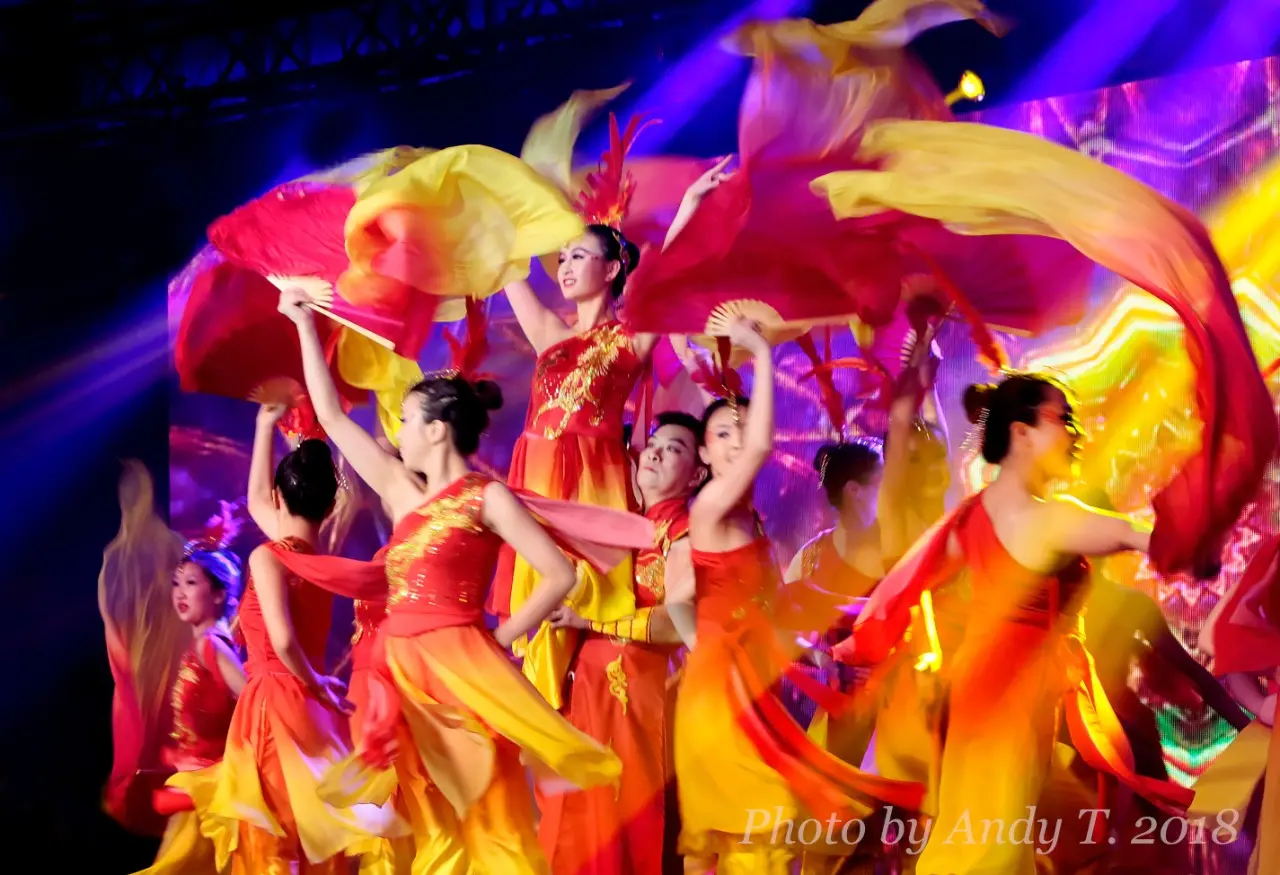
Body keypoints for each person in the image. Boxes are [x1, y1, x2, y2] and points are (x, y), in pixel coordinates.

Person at [276, 286, 643, 873]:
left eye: (406, 420)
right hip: (401, 674)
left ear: (438, 429)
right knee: (430, 817)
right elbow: (331, 420)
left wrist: (499, 642)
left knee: (488, 815)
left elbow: (557, 574)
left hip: (463, 672)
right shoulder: (401, 494)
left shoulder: (486, 497)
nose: (398, 431)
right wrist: (301, 321)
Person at [840, 372, 1195, 875]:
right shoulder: (1049, 519)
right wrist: (1197, 531)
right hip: (1010, 707)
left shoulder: (971, 519)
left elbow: (911, 574)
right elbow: (1142, 536)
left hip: (979, 699)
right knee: (992, 850)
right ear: (1022, 432)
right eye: (1063, 419)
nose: (1076, 433)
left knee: (993, 839)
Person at [675, 318, 923, 873]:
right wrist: (761, 351)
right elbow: (762, 443)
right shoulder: (710, 508)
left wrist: (803, 649)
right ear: (704, 459)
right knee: (755, 825)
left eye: (738, 428)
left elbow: (769, 606)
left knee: (751, 837)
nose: (737, 440)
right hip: (719, 690)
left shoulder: (750, 525)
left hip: (750, 680)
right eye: (721, 435)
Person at [490, 157, 732, 710]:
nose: (565, 265)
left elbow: (665, 276)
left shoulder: (630, 337)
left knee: (580, 597)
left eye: (580, 255)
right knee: (534, 600)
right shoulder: (549, 332)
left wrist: (690, 206)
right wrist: (500, 215)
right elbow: (507, 270)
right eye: (562, 257)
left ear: (613, 268)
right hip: (536, 479)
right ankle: (532, 709)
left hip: (593, 481)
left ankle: (582, 708)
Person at [176, 408, 403, 874]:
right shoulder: (322, 565)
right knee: (311, 826)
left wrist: (316, 681)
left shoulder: (269, 556)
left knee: (272, 833)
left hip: (274, 704)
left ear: (280, 497)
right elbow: (259, 497)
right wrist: (264, 426)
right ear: (329, 506)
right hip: (312, 707)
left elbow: (281, 640)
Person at [540, 410, 705, 875]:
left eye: (675, 449)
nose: (655, 451)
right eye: (654, 442)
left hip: (639, 694)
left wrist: (592, 619)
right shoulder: (616, 521)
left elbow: (678, 623)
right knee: (573, 824)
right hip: (587, 691)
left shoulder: (685, 535)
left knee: (625, 824)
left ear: (696, 475)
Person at [100, 463, 247, 873]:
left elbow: (256, 700)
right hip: (193, 792)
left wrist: (222, 766)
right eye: (176, 583)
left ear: (219, 595)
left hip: (208, 793)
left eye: (192, 584)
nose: (179, 593)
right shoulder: (198, 645)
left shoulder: (213, 648)